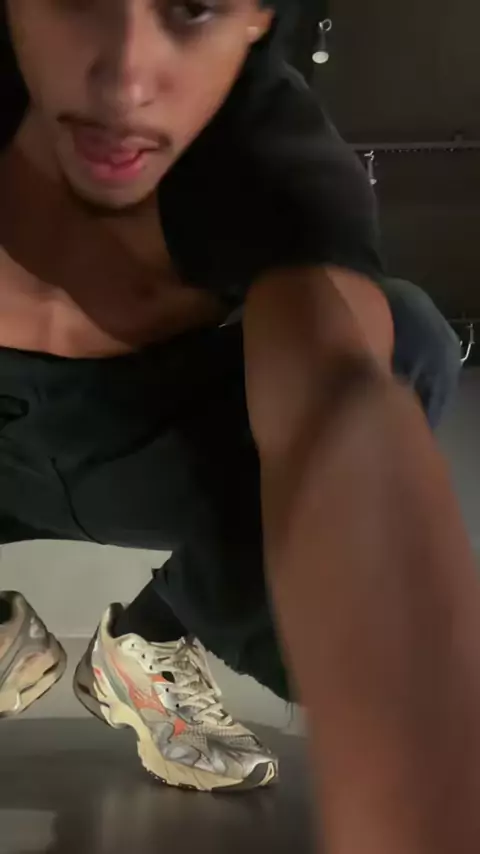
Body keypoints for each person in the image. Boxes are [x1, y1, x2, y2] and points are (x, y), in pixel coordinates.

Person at [1, 0, 480, 850]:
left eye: (191, 8)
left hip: (152, 451)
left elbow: (334, 413)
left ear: (256, 17)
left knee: (403, 340)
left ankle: (148, 642)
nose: (126, 76)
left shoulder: (274, 169)